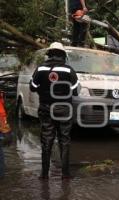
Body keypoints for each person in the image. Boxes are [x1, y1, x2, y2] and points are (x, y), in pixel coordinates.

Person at [30, 42, 79, 180]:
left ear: (49, 54)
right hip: (64, 109)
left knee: (47, 139)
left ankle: (44, 174)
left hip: (46, 108)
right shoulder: (69, 70)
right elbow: (75, 91)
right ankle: (65, 174)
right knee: (64, 140)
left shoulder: (40, 69)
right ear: (63, 55)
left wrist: (43, 89)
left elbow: (32, 87)